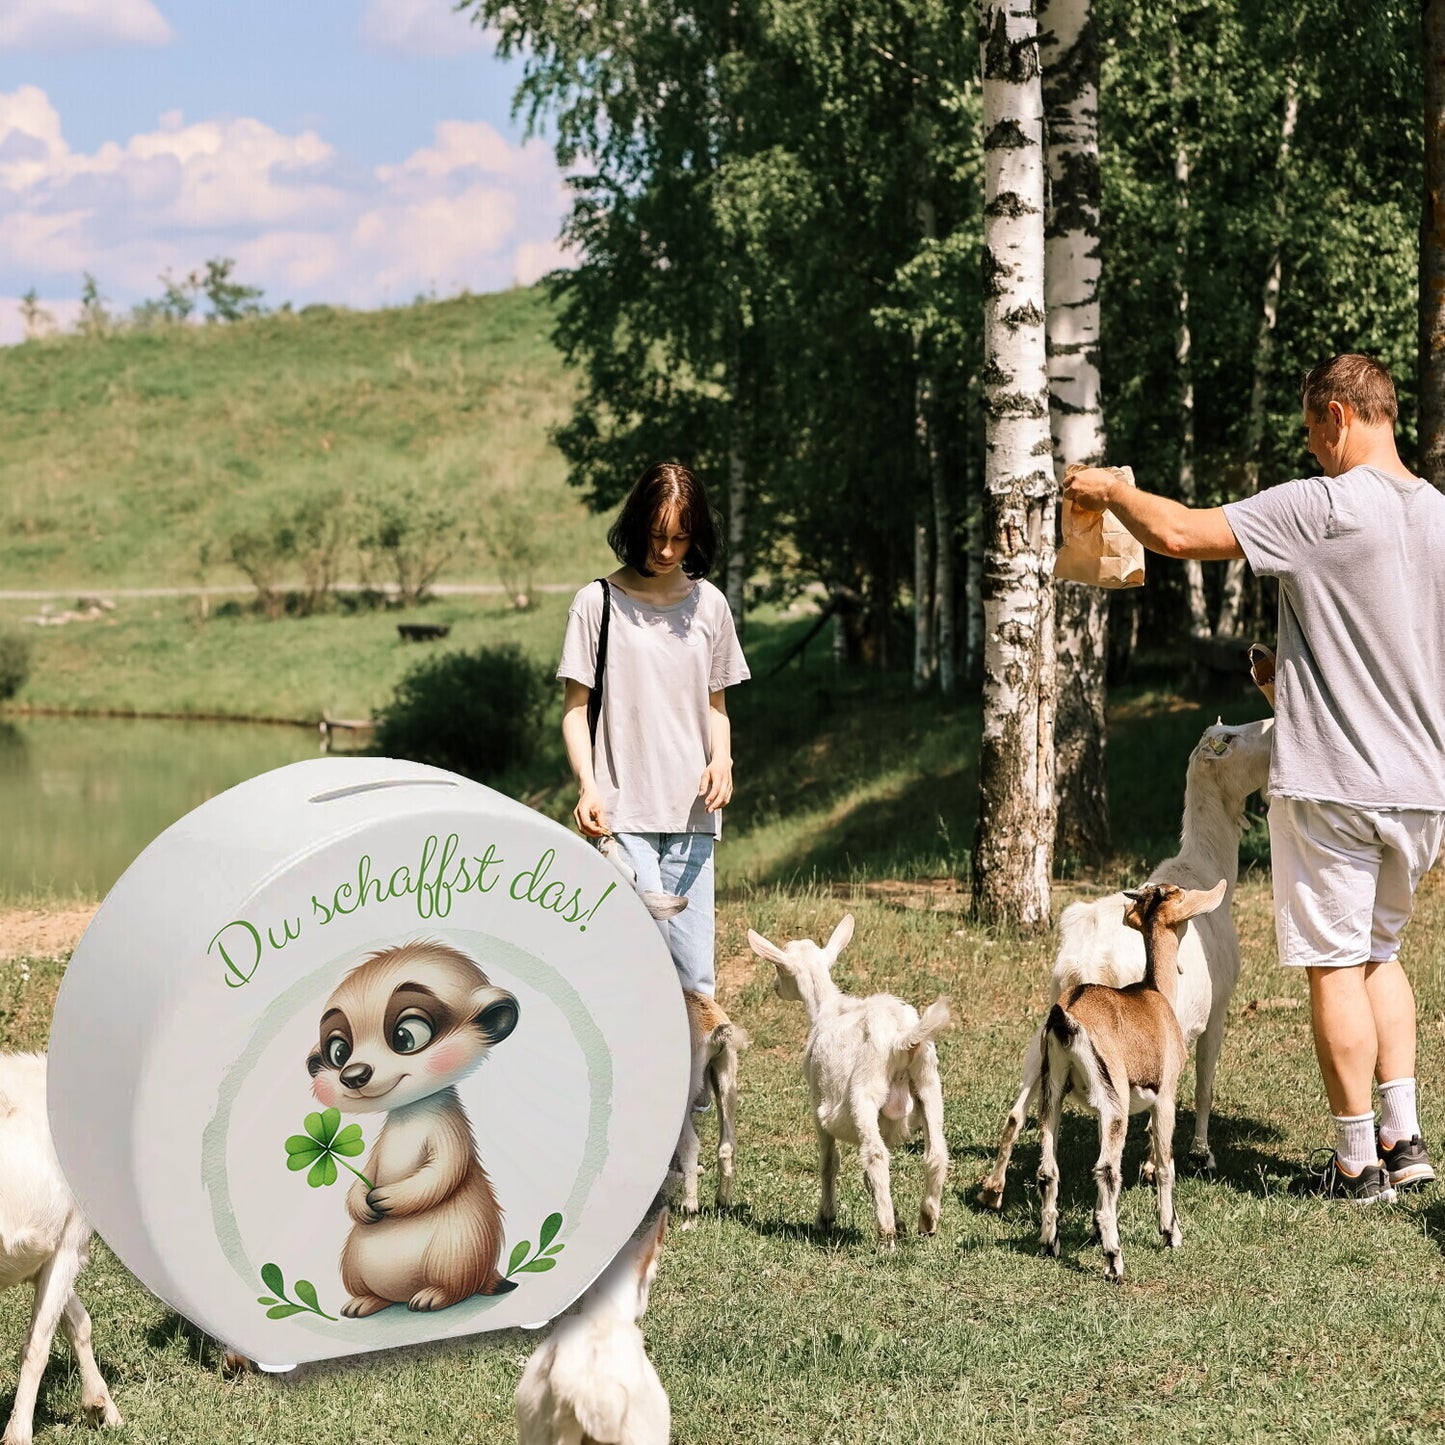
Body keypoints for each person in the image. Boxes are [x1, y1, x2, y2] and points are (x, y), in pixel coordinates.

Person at [1065, 353, 1445, 1203]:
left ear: (1338, 418)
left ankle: (1354, 1165)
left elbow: (1177, 533)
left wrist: (1111, 492)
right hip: (1421, 783)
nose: (1311, 451)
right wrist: (1294, 682)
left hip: (1336, 784)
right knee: (1383, 953)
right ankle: (1404, 1137)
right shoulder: (1439, 519)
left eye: (1313, 433)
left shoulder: (1321, 505)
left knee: (1334, 964)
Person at [557, 462, 750, 1002]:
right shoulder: (596, 604)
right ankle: (641, 1087)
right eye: (657, 535)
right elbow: (576, 710)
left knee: (695, 981)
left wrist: (723, 761)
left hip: (693, 816)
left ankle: (697, 1091)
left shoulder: (710, 605)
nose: (666, 551)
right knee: (640, 971)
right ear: (637, 525)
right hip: (623, 817)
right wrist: (588, 788)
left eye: (680, 538)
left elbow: (717, 706)